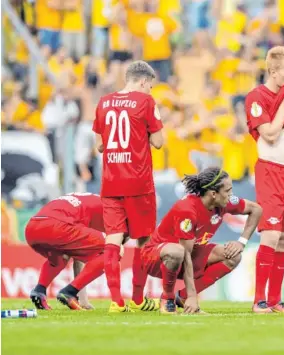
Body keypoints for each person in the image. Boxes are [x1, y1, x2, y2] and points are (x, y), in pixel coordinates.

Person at [93, 60, 164, 312]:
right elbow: (159, 142)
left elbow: (100, 146)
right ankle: (136, 299)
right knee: (143, 240)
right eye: (151, 86)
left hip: (111, 181)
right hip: (138, 181)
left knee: (112, 239)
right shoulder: (145, 102)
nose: (150, 91)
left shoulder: (104, 102)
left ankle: (115, 301)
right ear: (144, 81)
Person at [141, 167, 262, 314]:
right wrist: (194, 296)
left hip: (188, 253)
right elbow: (185, 254)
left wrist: (241, 242)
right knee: (177, 251)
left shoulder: (224, 203)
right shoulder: (188, 210)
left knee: (233, 256)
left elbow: (256, 209)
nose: (231, 195)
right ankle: (167, 298)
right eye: (228, 191)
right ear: (213, 194)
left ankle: (183, 297)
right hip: (154, 257)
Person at [244, 46, 284, 313]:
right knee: (270, 236)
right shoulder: (256, 97)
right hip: (270, 172)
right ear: (273, 71)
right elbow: (269, 134)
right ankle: (259, 301)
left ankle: (275, 300)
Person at [26, 193, 112, 311]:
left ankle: (39, 290)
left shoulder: (86, 199)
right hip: (57, 226)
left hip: (32, 228)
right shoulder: (108, 208)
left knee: (61, 257)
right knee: (113, 249)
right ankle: (69, 292)